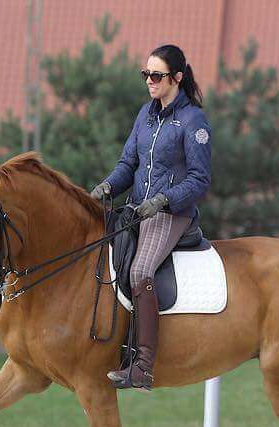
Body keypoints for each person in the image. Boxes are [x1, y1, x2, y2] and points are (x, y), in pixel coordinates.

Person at [90, 44, 211, 391]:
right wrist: (106, 188)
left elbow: (200, 180)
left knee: (141, 270)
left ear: (176, 77)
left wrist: (163, 200)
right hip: (136, 209)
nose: (149, 81)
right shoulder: (145, 114)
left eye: (155, 75)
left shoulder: (193, 121)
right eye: (146, 75)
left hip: (172, 213)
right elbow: (129, 164)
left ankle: (143, 366)